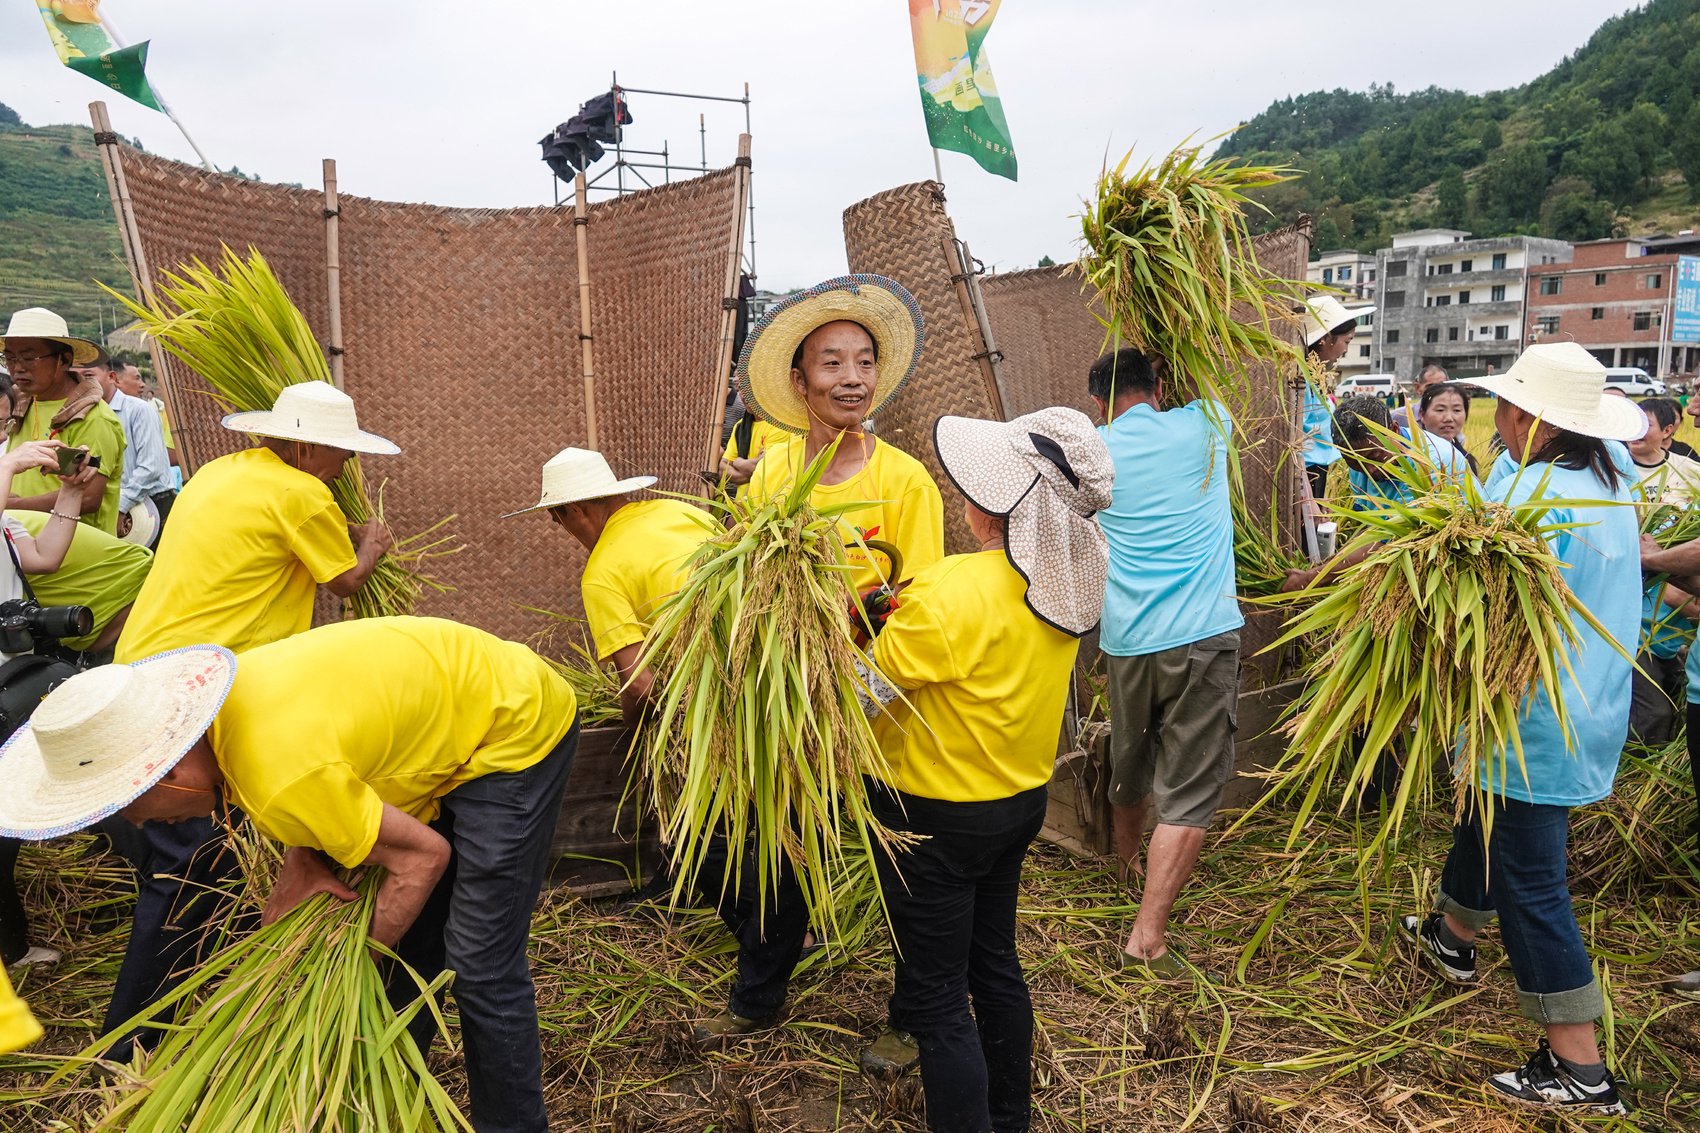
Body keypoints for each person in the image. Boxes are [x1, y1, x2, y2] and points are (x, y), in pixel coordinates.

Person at [0, 615, 579, 1133]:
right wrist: (302, 861)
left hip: (512, 724)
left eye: (129, 807)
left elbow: (422, 856)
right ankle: (384, 1095)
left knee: (480, 959)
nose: (139, 823)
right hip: (439, 708)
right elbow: (319, 773)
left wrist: (361, 955)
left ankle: (512, 1124)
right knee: (422, 940)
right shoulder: (223, 723)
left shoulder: (276, 775)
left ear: (169, 777)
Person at [99, 380, 396, 1061]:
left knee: (215, 855)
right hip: (189, 697)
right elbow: (346, 579)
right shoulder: (301, 492)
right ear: (302, 443)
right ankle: (124, 1049)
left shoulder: (221, 474)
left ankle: (215, 995)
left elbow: (273, 542)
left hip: (146, 674)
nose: (345, 466)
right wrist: (372, 542)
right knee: (191, 862)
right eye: (338, 452)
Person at [695, 275, 946, 1045]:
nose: (851, 378)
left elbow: (922, 601)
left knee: (909, 868)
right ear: (799, 382)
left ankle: (913, 1021)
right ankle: (757, 1000)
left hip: (881, 705)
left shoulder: (903, 479)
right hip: (793, 702)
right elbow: (754, 579)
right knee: (781, 850)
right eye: (831, 363)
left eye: (864, 361)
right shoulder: (771, 474)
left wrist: (858, 668)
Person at [1400, 342, 1642, 1115]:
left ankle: (1580, 1068)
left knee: (1533, 881)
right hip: (1590, 704)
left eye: (1504, 408)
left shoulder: (1534, 495)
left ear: (1532, 419)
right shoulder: (1613, 481)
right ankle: (1453, 935)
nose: (1494, 420)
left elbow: (1481, 616)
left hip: (1530, 719)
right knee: (1488, 822)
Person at [865, 406, 1111, 1133]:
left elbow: (861, 696)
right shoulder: (1066, 590)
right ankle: (1011, 1118)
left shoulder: (946, 593)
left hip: (931, 818)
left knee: (938, 998)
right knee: (994, 964)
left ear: (998, 504)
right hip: (1017, 803)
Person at [1086, 347, 1240, 979]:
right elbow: (1210, 362)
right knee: (1190, 786)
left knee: (1130, 756)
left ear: (1099, 402)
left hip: (1126, 639)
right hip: (1204, 635)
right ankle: (1147, 935)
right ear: (1161, 385)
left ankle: (1126, 872)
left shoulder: (1091, 451)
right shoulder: (1208, 427)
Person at [506, 447, 712, 724]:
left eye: (559, 521)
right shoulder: (684, 510)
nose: (568, 533)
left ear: (576, 511)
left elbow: (640, 686)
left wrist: (630, 737)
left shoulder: (600, 574)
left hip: (713, 687)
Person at [0, 436, 105, 970]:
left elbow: (44, 558)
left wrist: (67, 493)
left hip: (10, 669)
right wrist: (11, 466)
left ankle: (11, 947)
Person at [1, 308, 126, 534]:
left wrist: (12, 505)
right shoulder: (21, 405)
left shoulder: (94, 418)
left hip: (74, 556)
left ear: (64, 360)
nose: (17, 367)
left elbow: (88, 497)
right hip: (23, 546)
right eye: (10, 357)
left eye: (29, 357)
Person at [74, 348, 176, 547]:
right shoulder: (84, 416)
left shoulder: (139, 410)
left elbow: (151, 467)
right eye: (77, 378)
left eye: (89, 376)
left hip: (152, 505)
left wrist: (121, 507)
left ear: (111, 377)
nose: (82, 384)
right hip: (114, 508)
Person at [1299, 295, 1374, 502]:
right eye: (1346, 341)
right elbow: (1297, 440)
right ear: (1325, 338)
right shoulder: (1299, 381)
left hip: (1316, 470)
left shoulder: (1314, 378)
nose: (1346, 350)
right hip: (1304, 475)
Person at [1627, 406, 1700, 504]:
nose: (1636, 430)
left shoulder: (1688, 468)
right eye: (1632, 424)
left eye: (1645, 425)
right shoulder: (1613, 468)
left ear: (1666, 431)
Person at [1416, 381, 1479, 473]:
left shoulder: (1467, 461)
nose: (1449, 418)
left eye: (1457, 410)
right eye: (1440, 410)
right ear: (1422, 415)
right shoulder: (1409, 456)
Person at [1391, 364, 1449, 433]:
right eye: (1431, 387)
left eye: (1441, 386)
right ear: (1418, 388)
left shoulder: (1452, 418)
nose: (1437, 391)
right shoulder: (1398, 416)